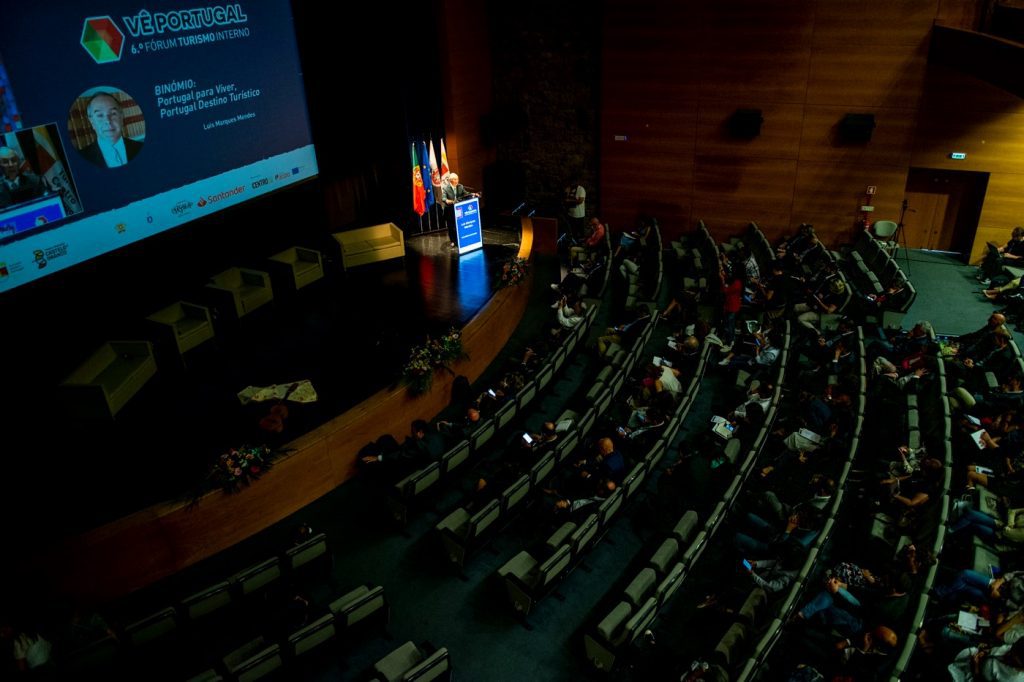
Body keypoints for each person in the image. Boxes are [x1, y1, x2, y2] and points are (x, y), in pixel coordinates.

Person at [78, 92, 144, 168]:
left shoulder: (140, 147)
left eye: (113, 113)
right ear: (92, 122)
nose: (108, 121)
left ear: (121, 117)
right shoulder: (81, 158)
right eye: (100, 115)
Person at [442, 172, 473, 247]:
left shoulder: (460, 186)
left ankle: (459, 239)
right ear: (451, 180)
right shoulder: (446, 188)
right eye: (455, 179)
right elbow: (444, 198)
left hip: (459, 209)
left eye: (457, 179)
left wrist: (473, 194)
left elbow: (466, 194)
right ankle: (452, 241)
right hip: (449, 210)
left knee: (458, 225)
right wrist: (450, 201)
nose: (457, 181)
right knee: (451, 227)